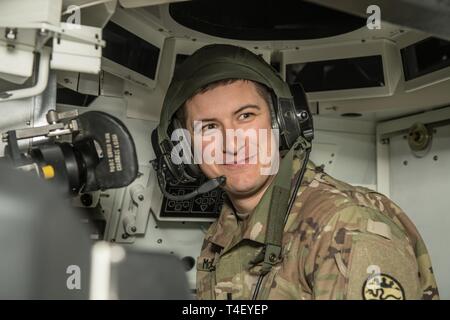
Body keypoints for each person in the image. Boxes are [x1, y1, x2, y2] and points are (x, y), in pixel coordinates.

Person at [155, 44, 439, 300]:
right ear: (185, 147)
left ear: (284, 121)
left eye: (246, 116)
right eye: (209, 127)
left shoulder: (346, 228)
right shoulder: (224, 231)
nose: (232, 143)